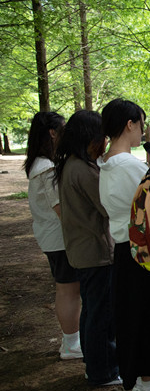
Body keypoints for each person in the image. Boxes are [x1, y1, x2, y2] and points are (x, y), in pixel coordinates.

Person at [97, 99, 150, 391]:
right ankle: (148, 386)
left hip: (123, 249)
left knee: (133, 317)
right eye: (141, 124)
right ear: (130, 124)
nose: (143, 131)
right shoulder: (129, 166)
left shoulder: (107, 163)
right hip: (139, 250)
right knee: (144, 318)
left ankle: (144, 385)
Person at [54, 110, 119, 385]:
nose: (105, 142)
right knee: (100, 315)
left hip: (84, 250)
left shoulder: (73, 164)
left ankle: (95, 365)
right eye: (102, 137)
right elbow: (107, 205)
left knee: (93, 311)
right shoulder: (83, 169)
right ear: (89, 137)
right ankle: (102, 371)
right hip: (94, 252)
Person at [25, 111, 82, 360]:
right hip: (58, 238)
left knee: (67, 288)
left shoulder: (40, 164)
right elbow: (61, 208)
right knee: (68, 289)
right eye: (63, 128)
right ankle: (70, 342)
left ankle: (71, 340)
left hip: (52, 236)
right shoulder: (46, 168)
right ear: (52, 132)